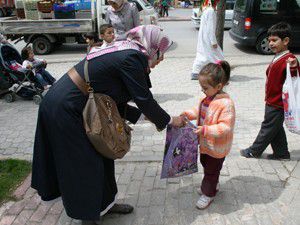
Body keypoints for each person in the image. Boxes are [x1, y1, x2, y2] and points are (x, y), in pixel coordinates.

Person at [31, 25, 184, 223]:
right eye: (160, 53)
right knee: (84, 162)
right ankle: (87, 216)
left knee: (104, 152)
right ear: (152, 46)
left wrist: (149, 119)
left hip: (81, 105)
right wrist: (171, 121)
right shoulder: (132, 57)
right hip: (65, 108)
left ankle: (105, 205)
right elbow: (144, 100)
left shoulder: (129, 51)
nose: (161, 59)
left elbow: (114, 101)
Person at [240, 22, 300, 161]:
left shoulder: (289, 59)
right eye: (269, 40)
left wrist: (293, 67)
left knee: (268, 127)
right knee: (275, 127)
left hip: (278, 102)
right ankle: (282, 154)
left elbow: (295, 75)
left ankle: (254, 151)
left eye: (275, 40)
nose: (271, 43)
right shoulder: (279, 55)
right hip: (272, 100)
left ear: (286, 41)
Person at [181, 60, 235, 209]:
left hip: (217, 147)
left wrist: (205, 130)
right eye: (201, 88)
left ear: (218, 86)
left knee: (211, 170)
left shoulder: (226, 104)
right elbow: (198, 111)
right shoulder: (207, 98)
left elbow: (226, 127)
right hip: (205, 145)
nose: (202, 91)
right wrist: (187, 114)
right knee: (207, 165)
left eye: (205, 88)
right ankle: (213, 184)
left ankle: (208, 194)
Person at [191, 0, 224, 80]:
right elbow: (210, 28)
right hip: (208, 39)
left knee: (203, 55)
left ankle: (196, 72)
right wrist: (213, 42)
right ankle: (220, 75)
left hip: (204, 38)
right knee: (218, 56)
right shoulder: (211, 11)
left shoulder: (206, 9)